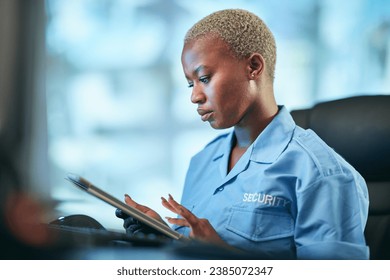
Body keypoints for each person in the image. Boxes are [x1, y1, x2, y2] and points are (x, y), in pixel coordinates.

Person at [116, 8, 369, 260]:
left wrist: (224, 256)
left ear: (254, 67)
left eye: (204, 78)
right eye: (191, 83)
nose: (195, 96)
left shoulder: (320, 172)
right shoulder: (203, 161)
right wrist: (163, 238)